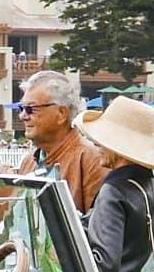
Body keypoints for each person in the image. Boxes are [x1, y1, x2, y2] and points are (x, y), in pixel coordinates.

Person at [81, 99, 154, 272]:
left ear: (118, 146)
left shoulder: (114, 190)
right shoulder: (146, 185)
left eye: (102, 140)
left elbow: (104, 264)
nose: (97, 145)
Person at [19, 70, 110, 218]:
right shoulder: (28, 162)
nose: (22, 116)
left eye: (30, 109)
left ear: (61, 113)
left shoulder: (91, 160)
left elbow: (98, 232)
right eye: (21, 108)